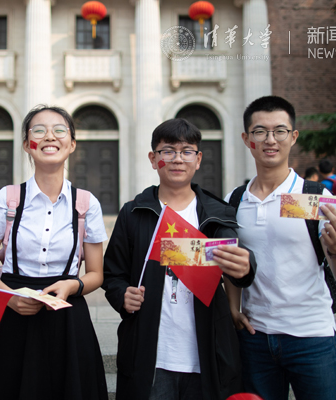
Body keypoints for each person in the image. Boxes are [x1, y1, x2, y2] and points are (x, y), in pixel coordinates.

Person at [102, 118, 255, 400]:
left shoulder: (217, 213)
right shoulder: (134, 212)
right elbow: (112, 273)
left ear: (198, 160)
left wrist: (245, 266)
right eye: (168, 151)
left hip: (207, 354)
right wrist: (122, 295)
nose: (177, 159)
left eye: (186, 151)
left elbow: (237, 261)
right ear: (153, 159)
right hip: (150, 356)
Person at [0, 105, 108, 400]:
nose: (49, 137)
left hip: (66, 316)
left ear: (72, 144)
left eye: (59, 130)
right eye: (39, 130)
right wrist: (9, 298)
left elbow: (96, 274)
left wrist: (72, 286)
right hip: (10, 313)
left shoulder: (86, 204)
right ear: (26, 145)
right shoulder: (6, 199)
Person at [225, 96, 336, 400]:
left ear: (293, 136)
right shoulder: (234, 201)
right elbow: (231, 261)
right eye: (260, 131)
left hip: (312, 338)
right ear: (247, 139)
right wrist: (232, 307)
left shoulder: (316, 198)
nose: (270, 140)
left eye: (280, 131)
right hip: (256, 339)